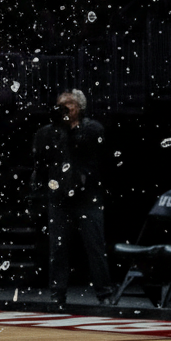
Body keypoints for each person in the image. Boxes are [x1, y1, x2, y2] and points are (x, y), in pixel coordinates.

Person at [31, 89, 111, 309]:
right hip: (59, 198)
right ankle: (57, 294)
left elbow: (92, 154)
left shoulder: (92, 129)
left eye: (69, 104)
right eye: (61, 104)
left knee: (95, 246)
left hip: (88, 197)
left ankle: (104, 293)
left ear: (80, 107)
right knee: (58, 248)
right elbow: (41, 162)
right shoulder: (48, 132)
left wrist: (68, 129)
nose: (64, 108)